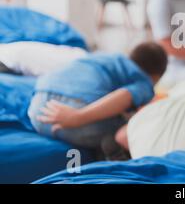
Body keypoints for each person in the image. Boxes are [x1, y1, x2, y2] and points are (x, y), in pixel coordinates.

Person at [27, 42, 168, 150]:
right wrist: (77, 117)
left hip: (38, 111)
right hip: (73, 118)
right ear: (156, 77)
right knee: (135, 127)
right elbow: (125, 95)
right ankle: (112, 149)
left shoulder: (104, 57)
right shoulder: (144, 81)